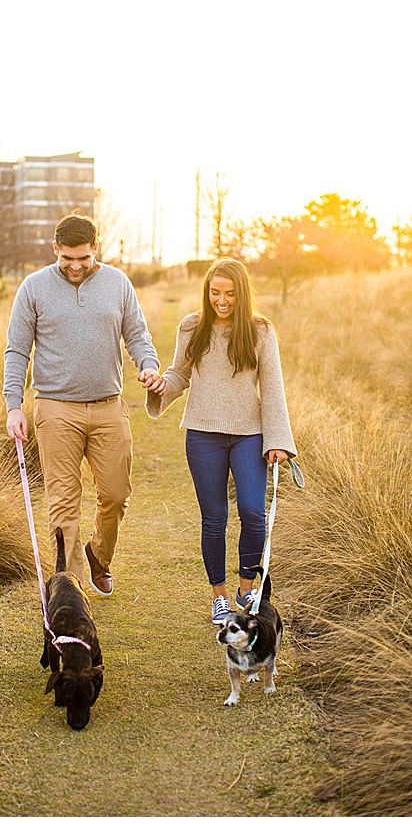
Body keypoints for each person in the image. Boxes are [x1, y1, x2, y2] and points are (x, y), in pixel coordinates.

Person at [5, 215, 167, 597]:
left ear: (96, 248)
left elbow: (137, 335)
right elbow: (17, 351)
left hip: (109, 407)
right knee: (62, 504)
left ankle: (98, 555)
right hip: (55, 409)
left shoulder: (118, 283)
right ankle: (72, 589)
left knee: (115, 495)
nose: (75, 266)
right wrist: (14, 404)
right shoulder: (33, 288)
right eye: (67, 259)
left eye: (83, 258)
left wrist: (148, 366)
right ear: (55, 250)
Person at [145, 258, 297, 624]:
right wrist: (162, 385)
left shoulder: (260, 331)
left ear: (241, 293)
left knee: (252, 511)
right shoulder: (192, 327)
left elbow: (272, 389)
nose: (222, 300)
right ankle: (219, 596)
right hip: (202, 434)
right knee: (214, 518)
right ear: (207, 292)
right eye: (215, 293)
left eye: (229, 294)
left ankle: (247, 587)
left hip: (249, 435)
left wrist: (278, 440)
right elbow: (179, 374)